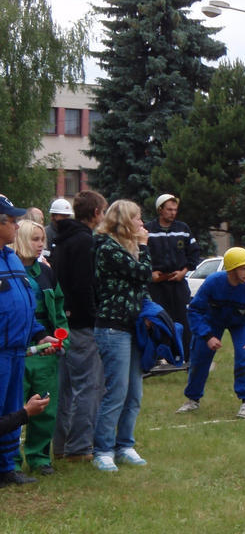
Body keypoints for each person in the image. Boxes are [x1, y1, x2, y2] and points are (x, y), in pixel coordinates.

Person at [1, 196, 60, 486]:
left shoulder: (11, 258)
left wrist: (38, 334)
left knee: (11, 407)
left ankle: (6, 468)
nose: (16, 225)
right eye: (11, 221)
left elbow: (23, 304)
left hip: (16, 351)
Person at [177, 247, 245, 419]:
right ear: (231, 269)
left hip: (239, 323)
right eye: (243, 269)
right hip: (212, 322)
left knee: (243, 356)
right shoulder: (213, 282)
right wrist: (207, 336)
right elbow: (194, 310)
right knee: (200, 357)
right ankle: (193, 400)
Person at [92, 200, 152, 472]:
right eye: (137, 218)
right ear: (126, 220)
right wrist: (144, 246)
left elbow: (140, 287)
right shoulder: (107, 248)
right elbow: (143, 273)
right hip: (112, 327)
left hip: (133, 326)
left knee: (134, 392)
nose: (142, 223)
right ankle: (103, 450)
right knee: (116, 391)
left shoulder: (128, 248)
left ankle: (125, 444)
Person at [49, 189, 106, 463]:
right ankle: (80, 447)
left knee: (66, 388)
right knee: (87, 386)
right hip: (81, 324)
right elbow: (84, 284)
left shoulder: (62, 239)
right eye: (102, 212)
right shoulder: (84, 241)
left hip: (63, 320)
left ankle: (60, 445)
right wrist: (93, 317)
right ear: (95, 213)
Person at [14, 220, 68, 476]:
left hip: (45, 348)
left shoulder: (46, 272)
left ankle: (39, 458)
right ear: (21, 239)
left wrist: (61, 340)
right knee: (14, 407)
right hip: (16, 349)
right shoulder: (8, 271)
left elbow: (59, 308)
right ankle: (10, 461)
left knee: (45, 405)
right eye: (35, 239)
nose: (40, 244)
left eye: (42, 239)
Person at [145, 194, 201, 361]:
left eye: (175, 210)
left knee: (183, 319)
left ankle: (186, 358)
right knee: (158, 320)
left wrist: (184, 271)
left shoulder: (183, 228)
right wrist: (150, 273)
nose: (173, 213)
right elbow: (140, 254)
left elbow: (194, 253)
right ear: (160, 210)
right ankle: (159, 357)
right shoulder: (148, 230)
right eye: (169, 209)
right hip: (156, 285)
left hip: (178, 283)